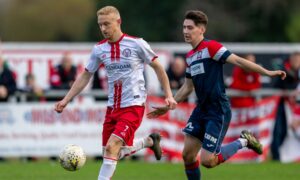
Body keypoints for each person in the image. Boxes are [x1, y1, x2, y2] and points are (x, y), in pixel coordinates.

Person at [147, 10, 286, 180]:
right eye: (184, 27)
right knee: (187, 156)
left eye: (190, 28)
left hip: (217, 109)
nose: (185, 31)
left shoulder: (211, 47)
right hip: (201, 109)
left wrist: (267, 73)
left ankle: (244, 141)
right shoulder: (190, 56)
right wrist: (169, 104)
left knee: (208, 161)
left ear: (201, 29)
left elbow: (239, 61)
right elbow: (188, 86)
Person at [54, 6, 177, 180]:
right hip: (112, 107)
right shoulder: (99, 49)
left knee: (112, 148)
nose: (103, 29)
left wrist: (169, 95)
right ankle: (149, 142)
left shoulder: (137, 44)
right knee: (110, 153)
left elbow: (158, 67)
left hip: (133, 105)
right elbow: (86, 75)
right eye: (100, 25)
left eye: (107, 24)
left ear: (118, 22)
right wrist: (66, 99)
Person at [271, 52, 300, 161]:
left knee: (287, 132)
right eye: (295, 60)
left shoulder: (297, 72)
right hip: (281, 105)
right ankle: (276, 156)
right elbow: (278, 86)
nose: (297, 62)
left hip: (293, 107)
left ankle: (282, 155)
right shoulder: (283, 69)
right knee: (278, 130)